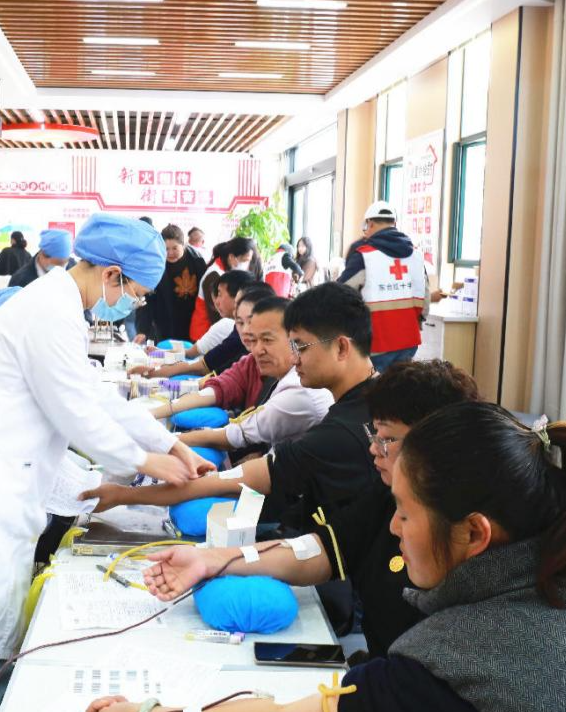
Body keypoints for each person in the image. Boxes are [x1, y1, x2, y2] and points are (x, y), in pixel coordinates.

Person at [93, 403, 566, 712]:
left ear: (474, 533)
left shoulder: (462, 660)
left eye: (405, 512)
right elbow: (323, 547)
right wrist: (218, 560)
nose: (392, 526)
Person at [0, 213, 215, 712]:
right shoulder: (48, 312)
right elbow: (77, 413)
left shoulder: (59, 308)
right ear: (111, 274)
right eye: (136, 294)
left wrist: (170, 446)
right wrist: (146, 460)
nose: (133, 304)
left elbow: (95, 396)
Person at [138, 360, 478, 660]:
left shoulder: (467, 545)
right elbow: (320, 550)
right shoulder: (384, 492)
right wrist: (211, 560)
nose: (374, 449)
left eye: (386, 440)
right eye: (373, 435)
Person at [90, 282, 382, 534]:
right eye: (242, 327)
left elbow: (246, 469)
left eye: (300, 347)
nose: (294, 358)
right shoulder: (368, 399)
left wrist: (125, 494)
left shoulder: (330, 420)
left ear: (341, 348)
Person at [148, 297, 333, 460]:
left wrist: (165, 439)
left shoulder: (300, 388)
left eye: (267, 339)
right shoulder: (259, 361)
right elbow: (218, 386)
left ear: (295, 339)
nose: (255, 347)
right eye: (239, 322)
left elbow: (237, 436)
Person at [338, 201, 429, 371]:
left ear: (370, 223)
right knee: (400, 383)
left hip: (377, 343)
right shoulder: (416, 257)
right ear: (394, 223)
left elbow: (339, 294)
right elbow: (425, 298)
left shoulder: (365, 256)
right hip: (408, 340)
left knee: (375, 385)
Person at [131, 278, 267, 381]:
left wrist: (154, 371)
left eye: (220, 294)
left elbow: (200, 364)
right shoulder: (236, 334)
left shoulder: (229, 327)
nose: (216, 301)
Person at [135, 224, 207, 344]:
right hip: (164, 322)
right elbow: (146, 299)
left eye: (175, 248)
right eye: (166, 249)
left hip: (191, 323)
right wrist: (142, 329)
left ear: (183, 245)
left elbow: (205, 295)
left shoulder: (196, 261)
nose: (170, 253)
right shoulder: (155, 263)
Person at [189, 236, 257, 341]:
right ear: (232, 257)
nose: (247, 265)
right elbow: (216, 313)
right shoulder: (214, 276)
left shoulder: (226, 272)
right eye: (245, 260)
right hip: (204, 333)